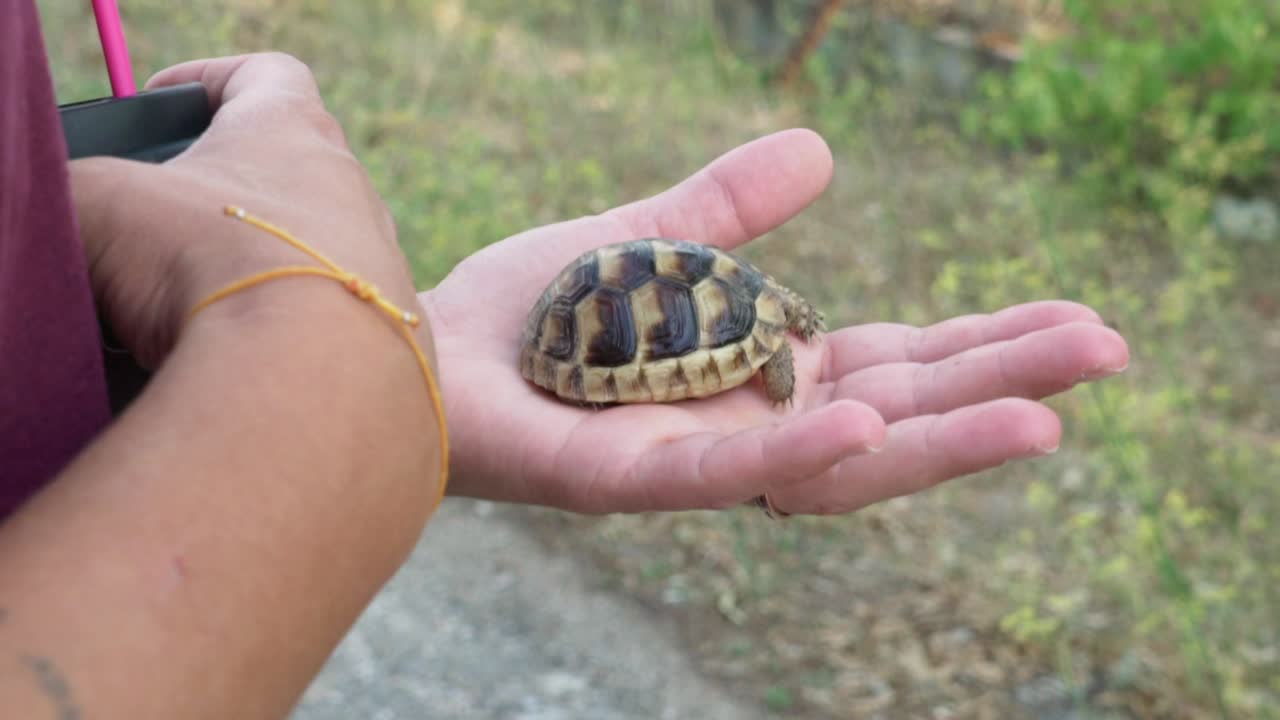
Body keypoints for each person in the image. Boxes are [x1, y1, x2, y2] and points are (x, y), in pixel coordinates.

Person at [0, 3, 1129, 717]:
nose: (790, 339)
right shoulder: (764, 342)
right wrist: (328, 353)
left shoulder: (755, 313)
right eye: (786, 331)